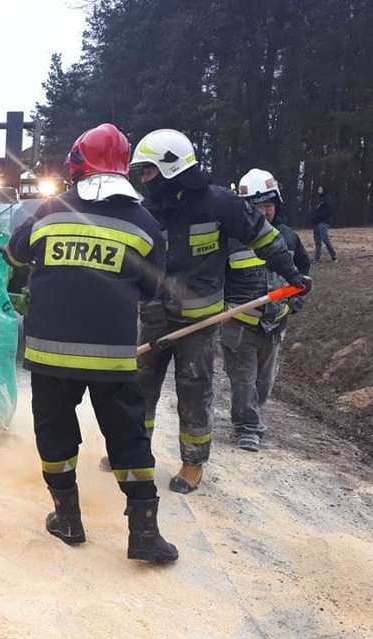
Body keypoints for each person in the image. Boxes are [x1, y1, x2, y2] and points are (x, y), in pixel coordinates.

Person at [6, 123, 178, 563]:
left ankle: (67, 519)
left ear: (78, 165)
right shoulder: (145, 225)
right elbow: (150, 288)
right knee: (127, 438)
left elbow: (16, 252)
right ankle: (144, 534)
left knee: (55, 434)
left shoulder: (50, 209)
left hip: (48, 353)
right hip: (111, 356)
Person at [128, 130, 312, 493]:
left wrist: (293, 274)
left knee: (195, 391)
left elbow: (263, 236)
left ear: (170, 169)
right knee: (139, 389)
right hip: (154, 316)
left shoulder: (220, 204)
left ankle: (192, 463)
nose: (144, 181)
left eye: (148, 172)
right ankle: (134, 455)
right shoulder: (146, 213)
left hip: (199, 322)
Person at [222, 169, 311, 452]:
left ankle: (253, 415)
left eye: (268, 206)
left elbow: (302, 276)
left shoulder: (288, 238)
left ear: (277, 205)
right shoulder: (231, 240)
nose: (263, 212)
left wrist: (297, 300)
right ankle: (247, 427)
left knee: (265, 379)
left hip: (275, 323)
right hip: (239, 323)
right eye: (255, 207)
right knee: (244, 379)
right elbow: (215, 278)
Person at [311, 185, 338, 262]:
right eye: (318, 189)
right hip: (316, 223)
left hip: (322, 223)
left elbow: (329, 211)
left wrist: (321, 218)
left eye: (320, 189)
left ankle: (333, 256)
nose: (318, 190)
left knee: (325, 240)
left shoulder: (327, 199)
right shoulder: (317, 199)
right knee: (317, 242)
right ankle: (316, 258)